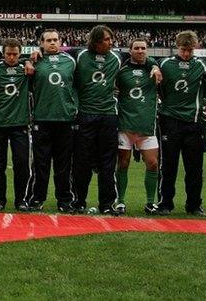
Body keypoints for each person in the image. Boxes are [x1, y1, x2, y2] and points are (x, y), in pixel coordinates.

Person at [31, 25, 161, 214]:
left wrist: (154, 65)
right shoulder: (79, 55)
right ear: (97, 42)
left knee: (107, 163)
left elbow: (139, 58)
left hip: (108, 115)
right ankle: (79, 201)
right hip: (85, 115)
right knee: (81, 163)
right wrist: (35, 53)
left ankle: (106, 204)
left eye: (111, 39)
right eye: (107, 40)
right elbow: (56, 54)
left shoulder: (117, 57)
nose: (111, 43)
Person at [156, 30, 206, 215]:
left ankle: (194, 205)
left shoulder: (203, 65)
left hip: (194, 123)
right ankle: (165, 203)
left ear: (195, 48)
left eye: (190, 50)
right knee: (168, 166)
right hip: (169, 121)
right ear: (176, 47)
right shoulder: (164, 64)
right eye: (182, 49)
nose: (186, 53)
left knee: (194, 168)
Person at [24, 29, 77, 212]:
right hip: (42, 119)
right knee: (40, 164)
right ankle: (37, 199)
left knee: (64, 164)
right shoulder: (34, 62)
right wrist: (27, 60)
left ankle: (64, 201)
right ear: (42, 43)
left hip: (65, 119)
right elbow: (9, 59)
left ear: (61, 41)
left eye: (55, 40)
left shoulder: (71, 61)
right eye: (48, 40)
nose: (52, 43)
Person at [114, 39, 162, 215]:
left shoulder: (154, 69)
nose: (140, 51)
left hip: (147, 126)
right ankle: (120, 201)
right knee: (123, 164)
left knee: (152, 163)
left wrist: (155, 67)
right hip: (125, 126)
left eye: (143, 48)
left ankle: (150, 202)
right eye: (137, 48)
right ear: (130, 50)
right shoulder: (122, 71)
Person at [0, 38, 31, 211]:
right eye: (8, 54)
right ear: (3, 54)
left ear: (20, 54)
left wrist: (27, 60)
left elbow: (41, 57)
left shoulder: (26, 70)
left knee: (21, 164)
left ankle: (21, 200)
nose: (12, 57)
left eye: (15, 54)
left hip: (20, 124)